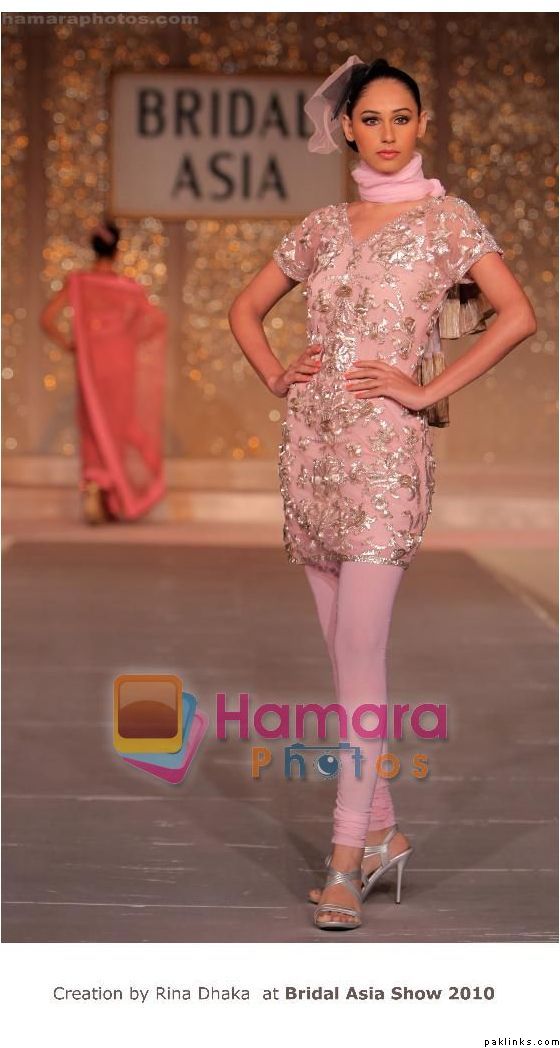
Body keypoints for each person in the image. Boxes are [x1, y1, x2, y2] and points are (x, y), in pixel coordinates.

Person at [228, 56, 536, 932]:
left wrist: (426, 389)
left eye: (404, 118)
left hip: (386, 459)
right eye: (373, 119)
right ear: (348, 129)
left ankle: (343, 861)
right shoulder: (322, 227)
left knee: (361, 655)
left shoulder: (448, 221)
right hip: (311, 451)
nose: (389, 133)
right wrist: (277, 375)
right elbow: (243, 310)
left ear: (423, 125)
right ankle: (384, 833)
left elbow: (518, 315)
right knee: (343, 658)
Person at [39, 218, 167, 524]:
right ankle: (111, 492)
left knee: (93, 423)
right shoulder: (128, 288)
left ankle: (96, 485)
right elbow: (157, 322)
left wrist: (70, 344)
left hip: (91, 362)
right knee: (117, 424)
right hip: (121, 361)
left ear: (94, 248)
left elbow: (47, 318)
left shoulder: (79, 282)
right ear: (117, 250)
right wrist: (129, 338)